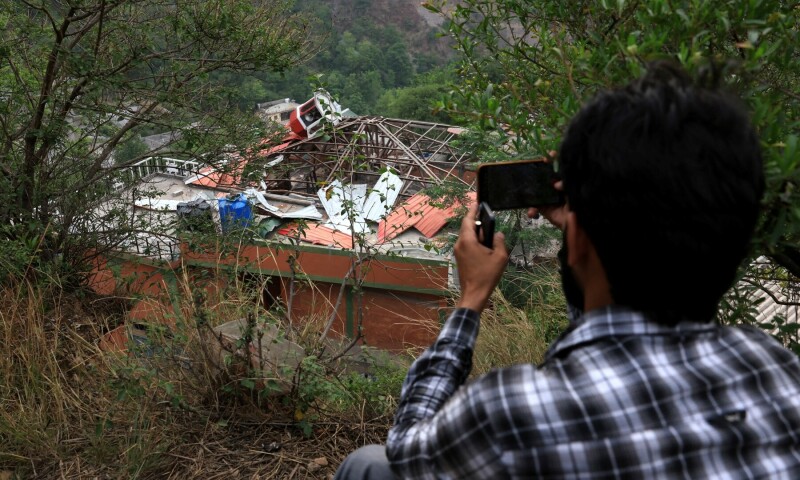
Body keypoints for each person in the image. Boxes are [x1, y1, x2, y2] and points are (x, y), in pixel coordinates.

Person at [334, 62, 800, 479]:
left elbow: (408, 448)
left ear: (578, 241)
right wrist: (582, 239)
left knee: (370, 465)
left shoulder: (513, 414)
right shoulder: (775, 369)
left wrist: (471, 299)